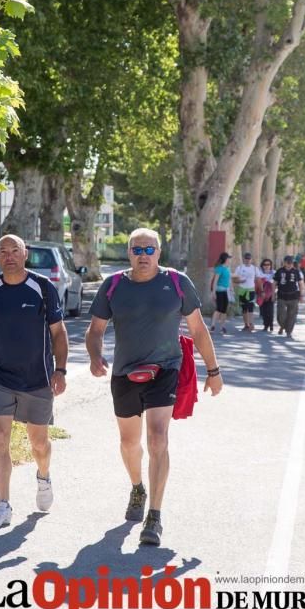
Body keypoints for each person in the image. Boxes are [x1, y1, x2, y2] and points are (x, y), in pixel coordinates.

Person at [85, 228, 223, 546]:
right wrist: (95, 356)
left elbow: (199, 330)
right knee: (129, 444)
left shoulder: (176, 282)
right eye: (137, 249)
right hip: (124, 374)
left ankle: (155, 517)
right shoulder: (114, 285)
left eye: (149, 249)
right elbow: (95, 331)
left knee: (158, 439)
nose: (143, 255)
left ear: (160, 252)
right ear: (129, 253)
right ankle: (137, 488)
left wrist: (213, 370)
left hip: (165, 370)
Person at [0, 234, 68, 528]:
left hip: (37, 379)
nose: (9, 256)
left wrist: (60, 370)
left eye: (15, 251)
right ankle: (3, 505)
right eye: (3, 251)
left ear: (25, 255)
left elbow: (59, 333)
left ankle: (44, 475)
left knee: (39, 444)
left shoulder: (43, 287)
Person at [274, 255, 305, 339]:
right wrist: (272, 294)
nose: (289, 264)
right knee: (280, 315)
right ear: (284, 263)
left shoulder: (296, 272)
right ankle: (283, 326)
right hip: (281, 295)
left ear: (293, 263)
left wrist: (302, 295)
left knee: (292, 315)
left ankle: (289, 331)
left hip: (293, 296)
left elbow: (301, 284)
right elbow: (274, 283)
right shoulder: (279, 271)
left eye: (290, 263)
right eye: (287, 262)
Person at [233, 252, 260, 331]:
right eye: (246, 258)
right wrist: (239, 282)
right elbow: (234, 279)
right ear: (244, 259)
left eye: (249, 258)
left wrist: (261, 290)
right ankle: (246, 324)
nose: (247, 260)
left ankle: (251, 323)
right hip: (242, 290)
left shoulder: (255, 268)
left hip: (251, 290)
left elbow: (258, 279)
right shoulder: (240, 268)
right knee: (244, 308)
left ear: (251, 259)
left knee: (251, 307)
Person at [210, 252, 232, 334]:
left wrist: (231, 289)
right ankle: (212, 325)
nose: (229, 259)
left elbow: (229, 280)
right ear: (225, 259)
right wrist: (213, 293)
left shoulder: (227, 269)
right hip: (219, 291)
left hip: (225, 291)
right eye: (228, 258)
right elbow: (215, 281)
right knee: (219, 309)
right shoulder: (219, 268)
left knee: (224, 310)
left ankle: (223, 327)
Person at [257, 258, 276, 331]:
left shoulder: (274, 273)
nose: (266, 266)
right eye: (265, 264)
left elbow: (276, 283)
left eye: (268, 264)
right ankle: (265, 325)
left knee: (270, 310)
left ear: (271, 265)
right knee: (263, 311)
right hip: (262, 293)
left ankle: (271, 324)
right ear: (262, 265)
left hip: (271, 294)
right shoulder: (259, 272)